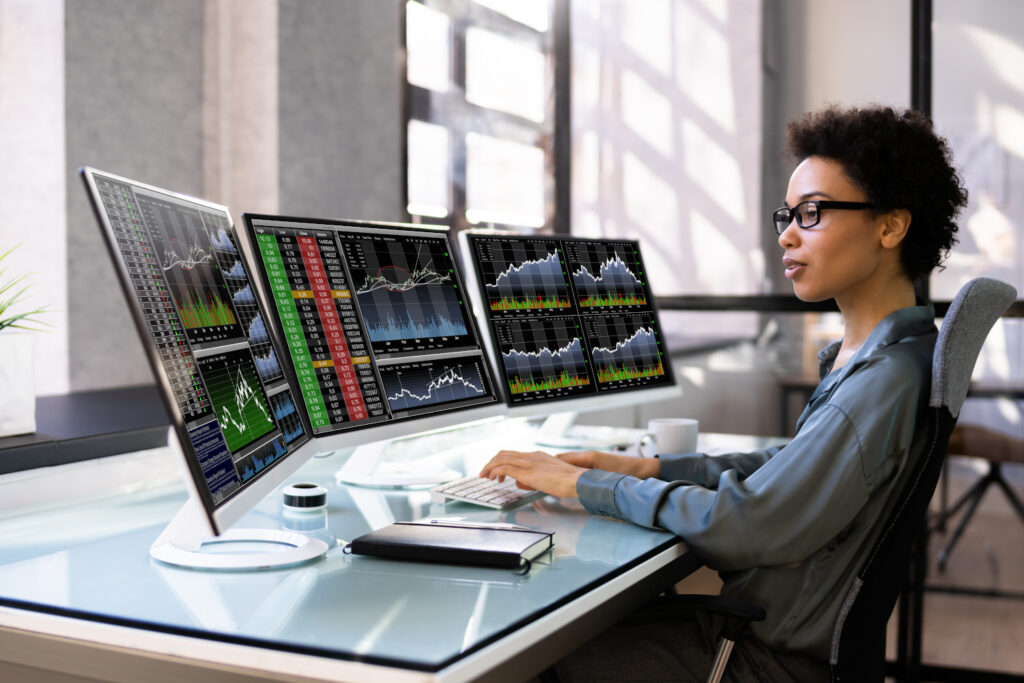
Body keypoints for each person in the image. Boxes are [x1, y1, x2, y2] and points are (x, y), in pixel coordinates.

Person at [480, 104, 968, 682]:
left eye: (812, 213)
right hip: (771, 640)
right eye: (787, 214)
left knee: (521, 656)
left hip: (766, 662)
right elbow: (789, 468)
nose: (786, 233)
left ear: (890, 226)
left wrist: (587, 485)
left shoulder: (884, 380)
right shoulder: (887, 356)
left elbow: (749, 525)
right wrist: (646, 467)